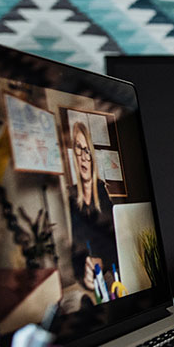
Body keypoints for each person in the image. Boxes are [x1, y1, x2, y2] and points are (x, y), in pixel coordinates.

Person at [66, 119, 118, 300]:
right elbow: (75, 255)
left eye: (87, 150)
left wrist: (104, 265)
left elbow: (116, 242)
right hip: (92, 286)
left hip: (113, 277)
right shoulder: (71, 199)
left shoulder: (103, 192)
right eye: (79, 149)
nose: (84, 156)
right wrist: (85, 277)